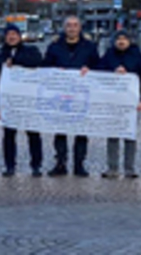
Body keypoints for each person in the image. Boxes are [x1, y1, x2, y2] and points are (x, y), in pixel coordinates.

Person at [43, 15, 99, 177]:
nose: (72, 28)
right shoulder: (54, 47)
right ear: (64, 28)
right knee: (60, 130)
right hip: (60, 95)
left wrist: (89, 69)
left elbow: (99, 65)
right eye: (69, 25)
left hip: (82, 95)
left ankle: (79, 164)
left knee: (81, 130)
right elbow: (45, 66)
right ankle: (60, 162)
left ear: (80, 28)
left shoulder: (89, 47)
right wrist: (54, 71)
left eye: (75, 25)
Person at [0, 23, 43, 177]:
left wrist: (15, 62)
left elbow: (37, 62)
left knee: (33, 134)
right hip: (9, 102)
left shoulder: (31, 50)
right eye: (9, 34)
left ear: (19, 36)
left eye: (14, 34)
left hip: (29, 101)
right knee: (9, 136)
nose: (11, 37)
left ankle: (36, 165)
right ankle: (10, 166)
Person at [98, 30, 141, 179]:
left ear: (129, 41)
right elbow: (99, 73)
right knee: (113, 135)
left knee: (130, 136)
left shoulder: (138, 57)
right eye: (118, 39)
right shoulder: (108, 56)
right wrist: (113, 72)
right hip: (113, 101)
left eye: (124, 39)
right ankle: (112, 167)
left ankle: (129, 168)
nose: (121, 42)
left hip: (132, 103)